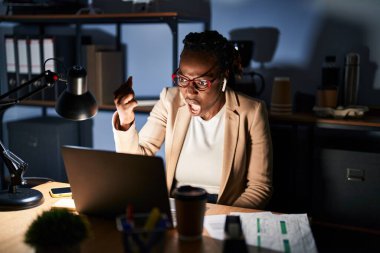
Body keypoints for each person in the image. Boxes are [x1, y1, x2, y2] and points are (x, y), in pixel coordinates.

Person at [112, 30, 273, 209]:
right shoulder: (169, 100)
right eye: (182, 79)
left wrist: (223, 219)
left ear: (223, 78)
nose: (189, 91)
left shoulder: (251, 111)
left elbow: (259, 188)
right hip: (175, 205)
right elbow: (137, 162)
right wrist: (126, 119)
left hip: (224, 209)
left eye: (201, 83)